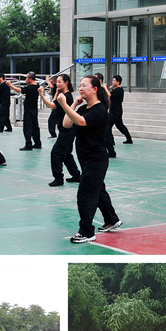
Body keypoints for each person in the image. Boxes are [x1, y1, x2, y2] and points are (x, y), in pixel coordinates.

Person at [58, 75, 122, 244]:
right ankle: (112, 219)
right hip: (86, 158)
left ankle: (86, 231)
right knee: (98, 191)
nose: (80, 88)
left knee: (85, 195)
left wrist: (64, 104)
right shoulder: (83, 108)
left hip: (96, 159)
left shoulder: (100, 110)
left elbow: (81, 122)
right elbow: (66, 124)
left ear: (94, 89)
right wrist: (73, 104)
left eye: (84, 85)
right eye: (79, 85)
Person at [38, 74, 81, 186]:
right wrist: (56, 94)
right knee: (66, 154)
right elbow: (53, 105)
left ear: (66, 83)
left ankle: (58, 178)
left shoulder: (66, 96)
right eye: (56, 82)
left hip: (67, 130)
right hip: (66, 130)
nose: (57, 84)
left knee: (56, 153)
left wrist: (41, 95)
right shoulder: (63, 95)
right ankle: (76, 175)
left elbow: (51, 106)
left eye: (59, 82)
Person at [9, 71, 42, 150]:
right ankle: (37, 143)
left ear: (30, 78)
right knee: (35, 126)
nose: (26, 80)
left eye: (27, 78)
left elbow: (19, 90)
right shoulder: (37, 86)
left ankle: (28, 144)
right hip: (34, 109)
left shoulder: (31, 87)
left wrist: (10, 85)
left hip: (29, 110)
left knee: (27, 127)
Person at [105, 75, 132, 157]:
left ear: (118, 82)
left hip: (115, 110)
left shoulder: (119, 90)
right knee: (119, 125)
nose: (113, 82)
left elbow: (109, 95)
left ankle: (111, 141)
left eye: (114, 81)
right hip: (117, 110)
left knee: (108, 126)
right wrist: (112, 89)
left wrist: (105, 87)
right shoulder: (118, 90)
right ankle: (129, 139)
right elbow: (114, 95)